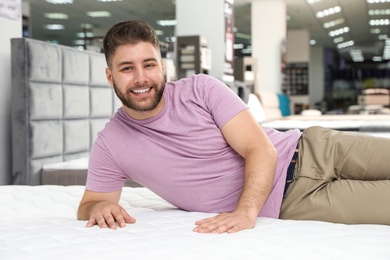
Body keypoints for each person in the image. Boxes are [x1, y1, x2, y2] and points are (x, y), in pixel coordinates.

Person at [77, 20, 390, 233]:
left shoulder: (201, 89)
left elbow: (259, 149)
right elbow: (89, 204)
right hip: (296, 199)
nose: (141, 78)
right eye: (127, 68)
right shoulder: (111, 143)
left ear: (162, 66)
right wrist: (98, 209)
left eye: (149, 64)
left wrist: (246, 212)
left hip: (315, 147)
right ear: (110, 76)